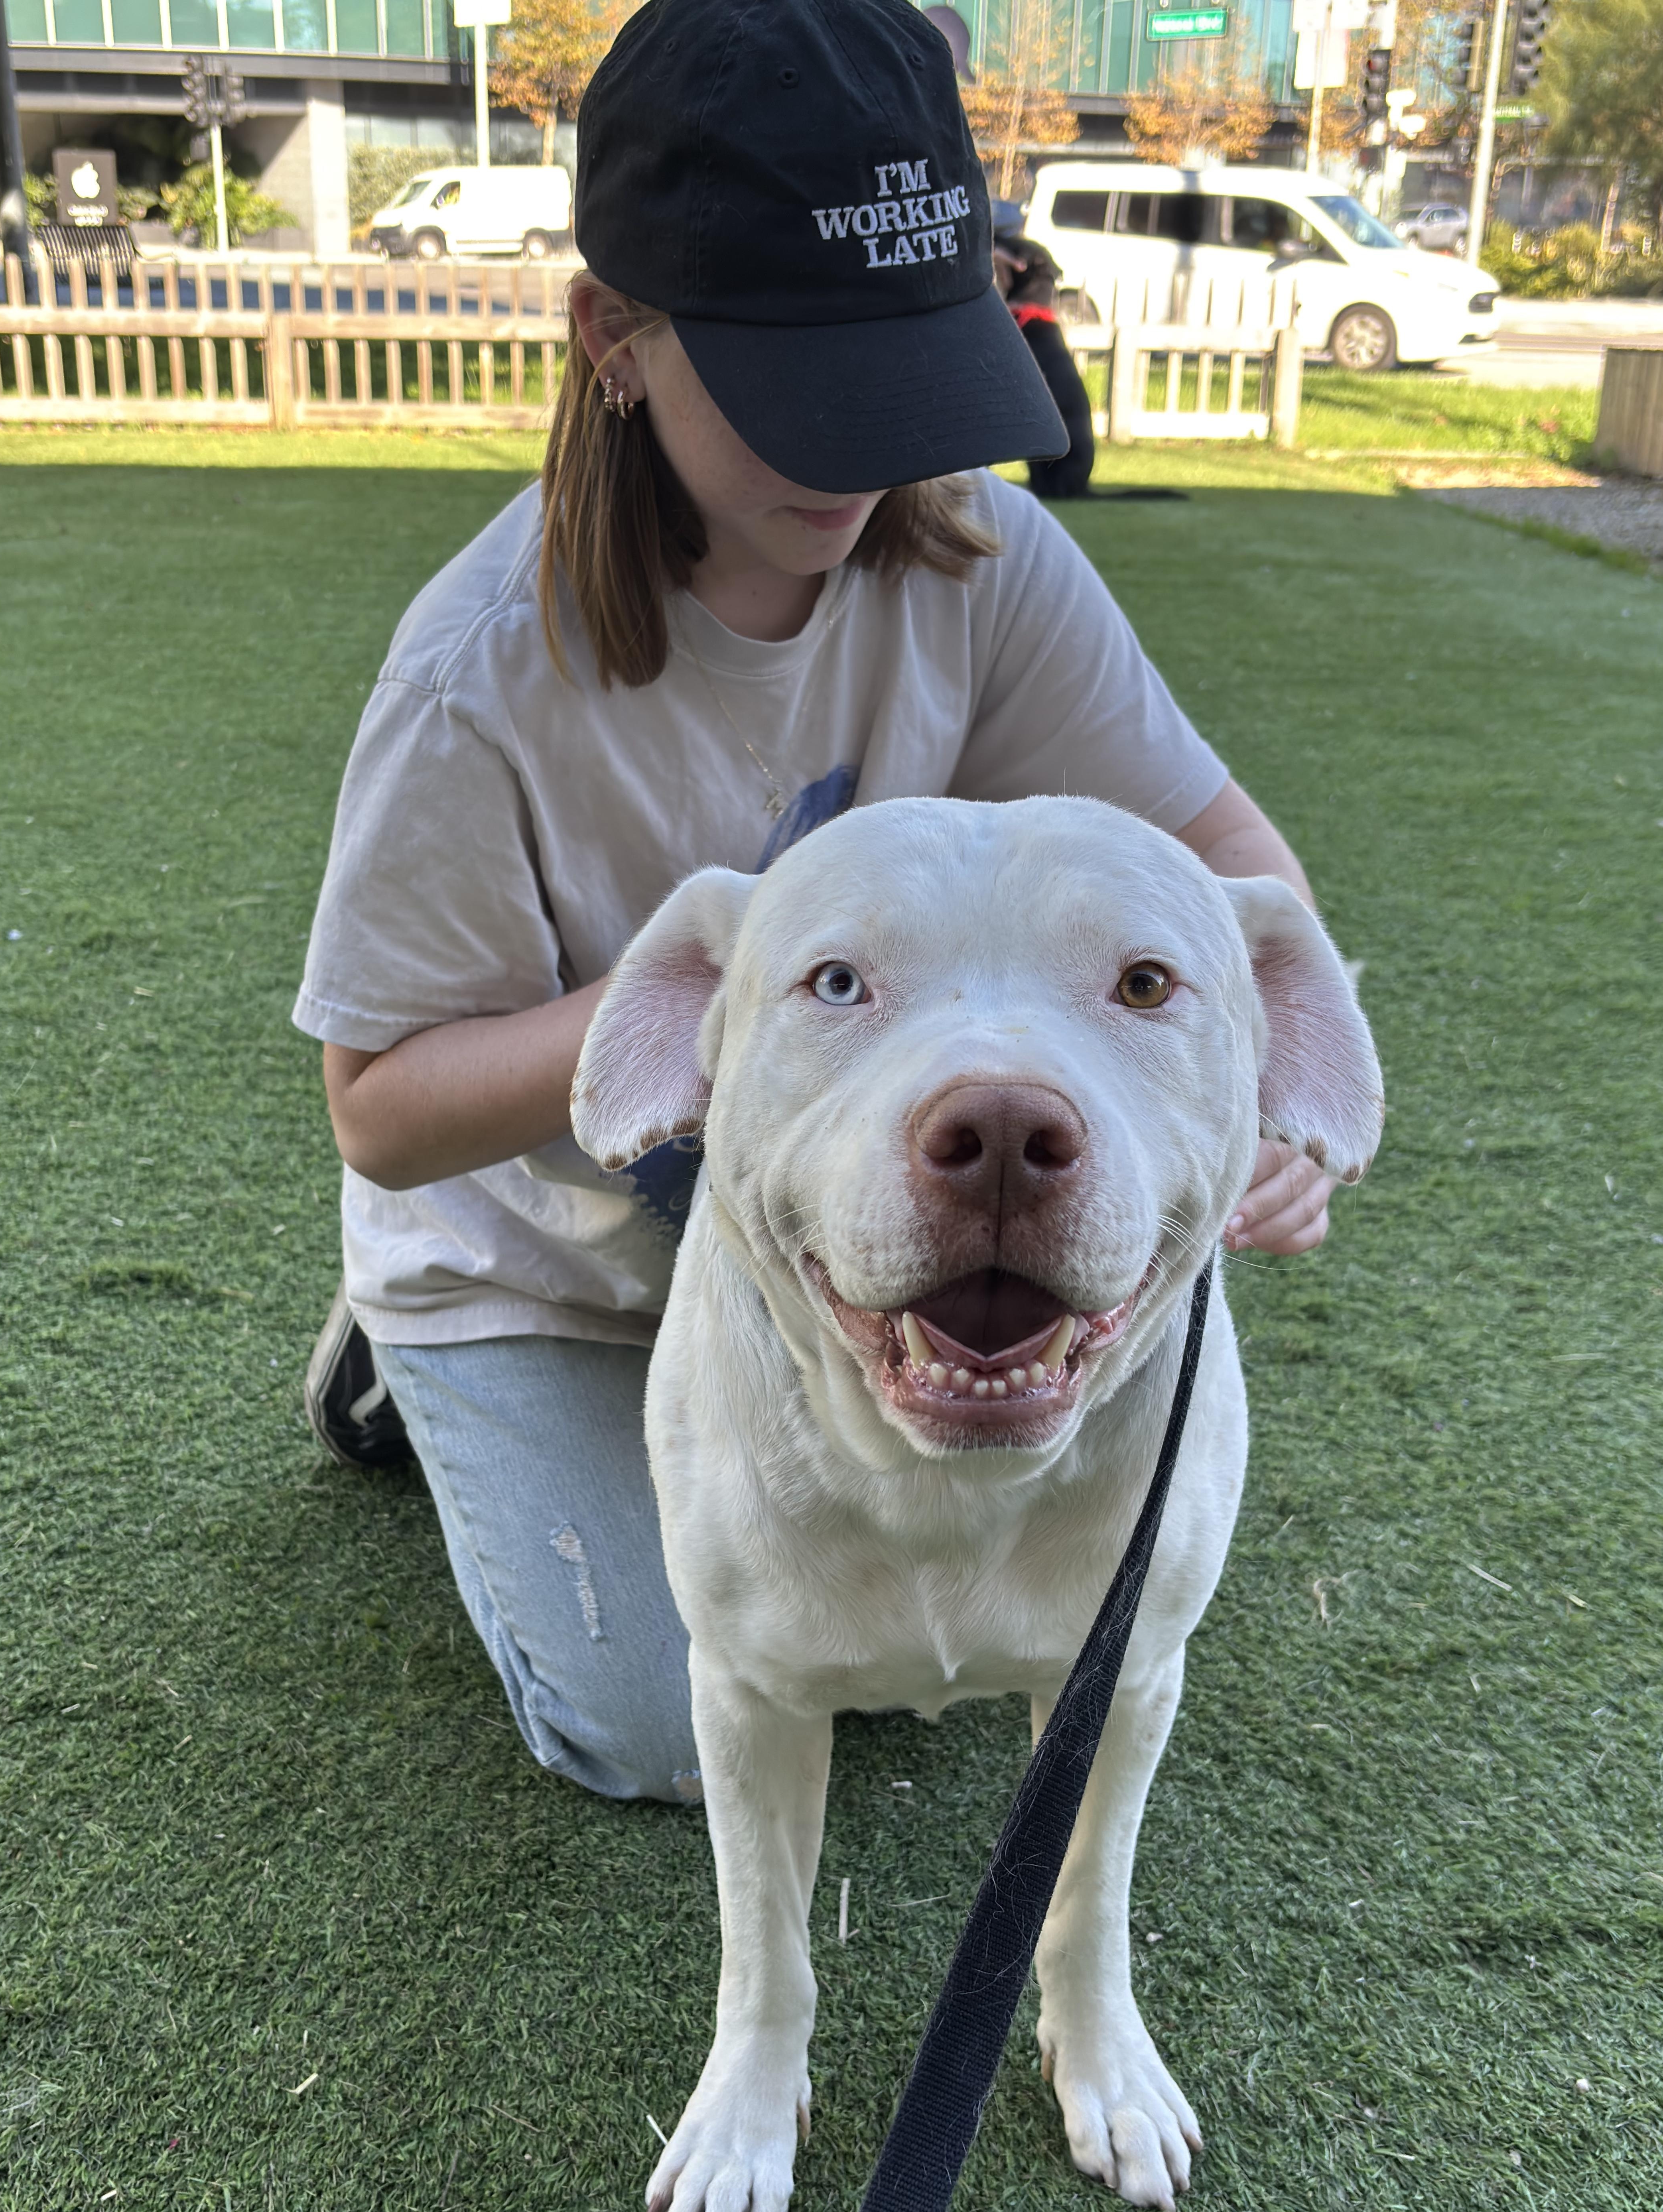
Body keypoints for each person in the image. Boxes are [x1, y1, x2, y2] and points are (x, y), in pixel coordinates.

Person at [294, 0, 1343, 1807]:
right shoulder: (477, 677)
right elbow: (380, 1106)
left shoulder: (981, 559)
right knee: (661, 1724)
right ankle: (400, 1353)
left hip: (862, 1215)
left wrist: (1248, 1091)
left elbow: (1233, 868)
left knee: (1009, 1586)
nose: (860, 458)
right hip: (551, 1256)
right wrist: (741, 989)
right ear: (612, 339)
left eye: (904, 371)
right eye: (801, 385)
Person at [992, 202, 1097, 501]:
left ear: (1021, 267)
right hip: (1062, 471)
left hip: (1063, 475)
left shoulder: (1030, 331)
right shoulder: (1039, 330)